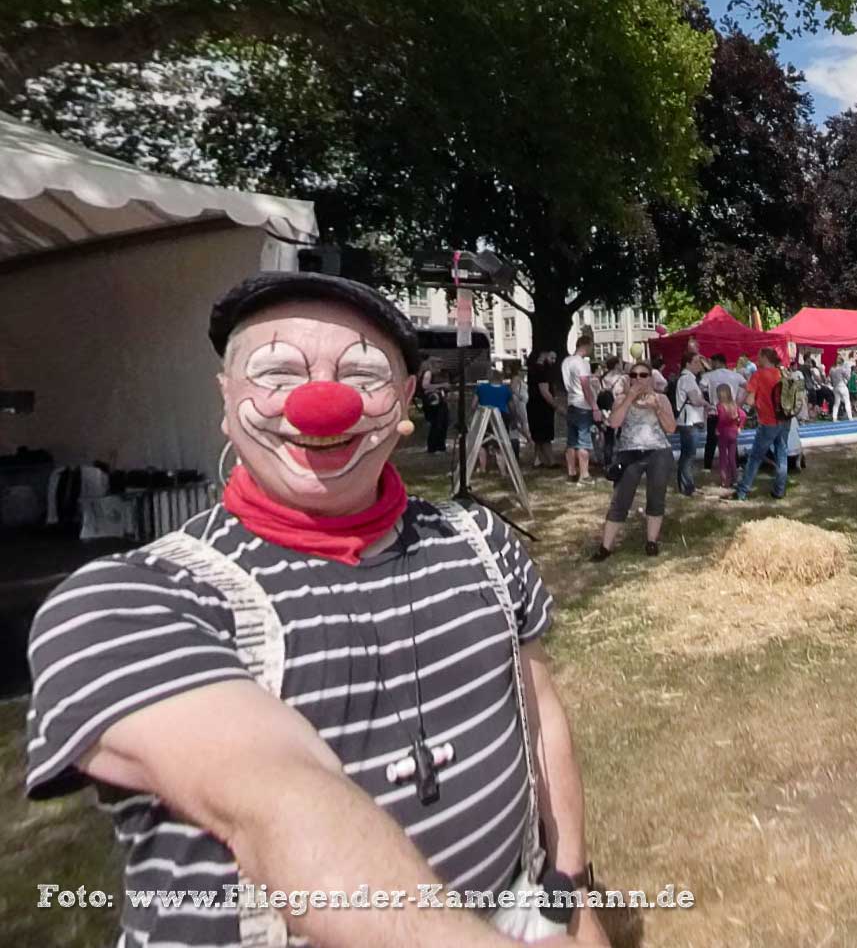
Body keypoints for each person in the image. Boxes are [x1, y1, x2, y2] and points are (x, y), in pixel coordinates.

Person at [26, 272, 601, 947]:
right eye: (276, 372)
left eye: (362, 375)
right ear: (225, 397)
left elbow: (541, 726)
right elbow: (276, 802)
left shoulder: (485, 543)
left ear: (407, 400)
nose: (319, 404)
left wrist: (571, 901)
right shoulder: (129, 603)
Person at [595, 360, 678, 561]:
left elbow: (671, 428)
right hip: (630, 453)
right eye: (633, 375)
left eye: (643, 375)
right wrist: (630, 397)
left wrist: (657, 408)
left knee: (656, 497)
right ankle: (605, 548)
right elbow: (614, 423)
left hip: (658, 452)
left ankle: (651, 542)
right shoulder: (622, 398)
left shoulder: (661, 399)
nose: (638, 379)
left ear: (650, 378)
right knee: (620, 500)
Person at [732, 347, 790, 500]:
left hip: (767, 422)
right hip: (783, 420)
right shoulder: (781, 373)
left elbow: (750, 400)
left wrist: (741, 405)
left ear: (765, 357)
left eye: (759, 356)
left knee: (755, 457)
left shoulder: (758, 375)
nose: (757, 358)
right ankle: (779, 490)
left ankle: (742, 491)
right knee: (782, 454)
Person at [560, 333, 596, 485]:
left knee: (571, 441)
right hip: (583, 404)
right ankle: (584, 474)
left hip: (571, 402)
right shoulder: (581, 363)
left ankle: (571, 472)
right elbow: (585, 385)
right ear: (586, 345)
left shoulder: (566, 361)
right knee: (584, 441)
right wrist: (594, 406)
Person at [672, 354, 710, 497]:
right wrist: (707, 404)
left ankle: (687, 485)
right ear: (687, 364)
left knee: (687, 455)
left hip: (689, 421)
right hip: (690, 421)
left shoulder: (687, 379)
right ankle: (687, 487)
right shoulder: (688, 379)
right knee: (688, 455)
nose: (699, 365)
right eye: (696, 362)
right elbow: (695, 400)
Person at [701, 352, 743, 470]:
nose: (711, 364)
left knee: (711, 440)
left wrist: (706, 403)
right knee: (732, 439)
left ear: (717, 362)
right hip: (731, 411)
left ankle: (707, 466)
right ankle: (736, 464)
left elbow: (701, 388)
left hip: (715, 411)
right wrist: (739, 403)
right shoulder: (735, 375)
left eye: (712, 362)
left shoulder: (709, 376)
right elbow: (747, 386)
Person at [712, 382, 744, 490]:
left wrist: (717, 429)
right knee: (732, 457)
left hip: (724, 433)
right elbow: (743, 415)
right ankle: (735, 478)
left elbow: (721, 420)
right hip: (734, 432)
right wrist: (740, 426)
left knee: (723, 457)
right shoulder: (734, 405)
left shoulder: (720, 406)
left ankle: (724, 480)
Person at [419, 360, 451, 453]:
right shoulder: (428, 373)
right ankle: (432, 447)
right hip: (433, 401)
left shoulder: (442, 374)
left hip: (441, 400)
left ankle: (441, 446)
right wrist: (441, 385)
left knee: (444, 422)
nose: (440, 366)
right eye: (438, 363)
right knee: (437, 424)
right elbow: (425, 386)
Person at [829, 356, 853, 420]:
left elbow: (831, 380)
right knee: (847, 402)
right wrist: (849, 371)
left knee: (836, 403)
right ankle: (850, 417)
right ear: (842, 363)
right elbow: (848, 377)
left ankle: (834, 417)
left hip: (835, 387)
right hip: (842, 386)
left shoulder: (831, 369)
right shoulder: (841, 368)